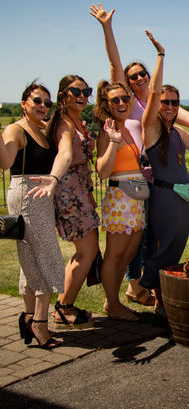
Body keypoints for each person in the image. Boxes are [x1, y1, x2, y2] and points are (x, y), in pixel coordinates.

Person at [90, 3, 189, 305]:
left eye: (142, 74)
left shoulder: (163, 104)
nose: (137, 78)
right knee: (131, 244)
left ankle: (140, 287)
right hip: (132, 181)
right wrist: (107, 28)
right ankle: (134, 287)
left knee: (145, 238)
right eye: (132, 76)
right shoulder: (130, 104)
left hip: (148, 180)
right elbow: (115, 64)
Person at [138, 31, 189, 316]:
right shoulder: (150, 129)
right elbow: (152, 92)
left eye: (175, 103)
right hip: (164, 197)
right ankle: (153, 292)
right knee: (163, 247)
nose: (170, 107)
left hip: (184, 199)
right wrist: (161, 55)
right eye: (166, 102)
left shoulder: (176, 131)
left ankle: (163, 295)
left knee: (177, 245)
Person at [0, 83, 67, 348]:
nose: (42, 106)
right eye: (37, 101)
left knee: (32, 256)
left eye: (47, 103)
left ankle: (28, 317)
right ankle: (39, 324)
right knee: (48, 256)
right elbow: (6, 163)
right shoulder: (16, 129)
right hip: (27, 195)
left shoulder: (41, 129)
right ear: (24, 103)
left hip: (41, 196)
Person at [47, 75, 100, 328]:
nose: (82, 96)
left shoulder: (77, 120)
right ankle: (64, 307)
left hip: (80, 190)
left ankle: (64, 303)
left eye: (86, 91)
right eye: (75, 91)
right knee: (88, 252)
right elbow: (66, 153)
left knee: (85, 252)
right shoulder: (65, 125)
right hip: (69, 193)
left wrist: (89, 192)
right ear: (62, 95)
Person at [93, 81, 146, 321]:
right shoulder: (109, 130)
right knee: (115, 254)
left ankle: (111, 299)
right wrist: (113, 141)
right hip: (120, 199)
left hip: (134, 199)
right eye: (115, 100)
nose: (122, 103)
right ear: (107, 105)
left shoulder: (125, 126)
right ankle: (114, 306)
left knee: (128, 254)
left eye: (125, 98)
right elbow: (103, 172)